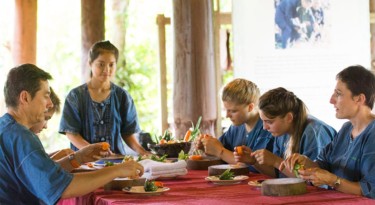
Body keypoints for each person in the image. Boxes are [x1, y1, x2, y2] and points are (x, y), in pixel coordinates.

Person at [0, 64, 144, 204]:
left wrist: (77, 158)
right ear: (25, 97)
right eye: (45, 96)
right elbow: (64, 188)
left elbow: (41, 176)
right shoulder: (22, 138)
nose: (50, 104)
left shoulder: (6, 128)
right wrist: (118, 170)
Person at [280, 65, 375, 198]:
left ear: (359, 98)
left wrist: (333, 181)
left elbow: (371, 190)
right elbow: (323, 165)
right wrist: (305, 162)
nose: (331, 100)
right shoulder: (346, 129)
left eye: (339, 94)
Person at [59, 40, 150, 156]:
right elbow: (71, 133)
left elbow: (127, 133)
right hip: (83, 163)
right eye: (101, 64)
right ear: (90, 63)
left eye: (111, 64)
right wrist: (92, 151)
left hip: (116, 163)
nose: (107, 69)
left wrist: (143, 152)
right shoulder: (75, 96)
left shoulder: (123, 97)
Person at [234, 87, 336, 177]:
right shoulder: (281, 132)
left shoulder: (314, 133)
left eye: (269, 121)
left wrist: (275, 161)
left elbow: (313, 179)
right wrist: (254, 161)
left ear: (289, 117)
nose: (264, 127)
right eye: (263, 121)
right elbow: (279, 173)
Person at [198, 79, 275, 170]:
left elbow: (252, 166)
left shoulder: (267, 128)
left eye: (233, 111)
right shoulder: (235, 127)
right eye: (225, 110)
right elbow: (220, 150)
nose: (227, 115)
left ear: (250, 107)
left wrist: (220, 151)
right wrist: (207, 146)